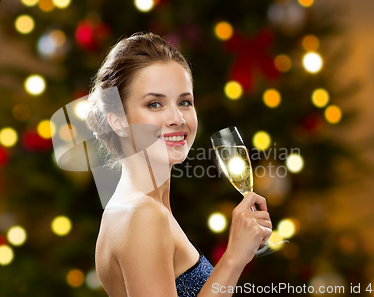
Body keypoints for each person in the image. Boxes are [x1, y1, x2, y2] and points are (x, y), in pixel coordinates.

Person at [85, 31, 273, 297]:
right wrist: (233, 257)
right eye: (155, 104)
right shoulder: (142, 216)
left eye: (184, 102)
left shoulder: (139, 208)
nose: (177, 118)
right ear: (118, 121)